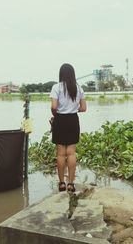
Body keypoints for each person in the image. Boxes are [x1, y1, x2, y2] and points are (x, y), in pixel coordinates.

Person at [49, 63, 87, 192]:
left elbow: (54, 107)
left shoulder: (56, 87)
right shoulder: (79, 88)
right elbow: (83, 108)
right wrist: (73, 109)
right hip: (73, 120)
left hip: (60, 120)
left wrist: (56, 115)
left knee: (60, 154)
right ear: (73, 74)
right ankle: (70, 184)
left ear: (61, 74)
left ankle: (61, 184)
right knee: (71, 153)